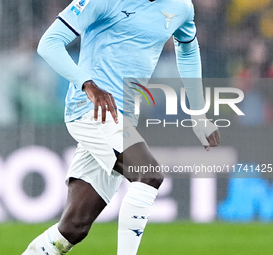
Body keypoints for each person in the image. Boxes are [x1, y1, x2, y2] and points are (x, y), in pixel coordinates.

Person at [22, 0, 220, 254]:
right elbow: (48, 43)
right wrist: (88, 85)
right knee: (148, 173)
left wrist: (198, 114)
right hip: (90, 108)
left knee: (73, 227)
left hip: (124, 116)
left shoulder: (180, 6)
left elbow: (188, 50)